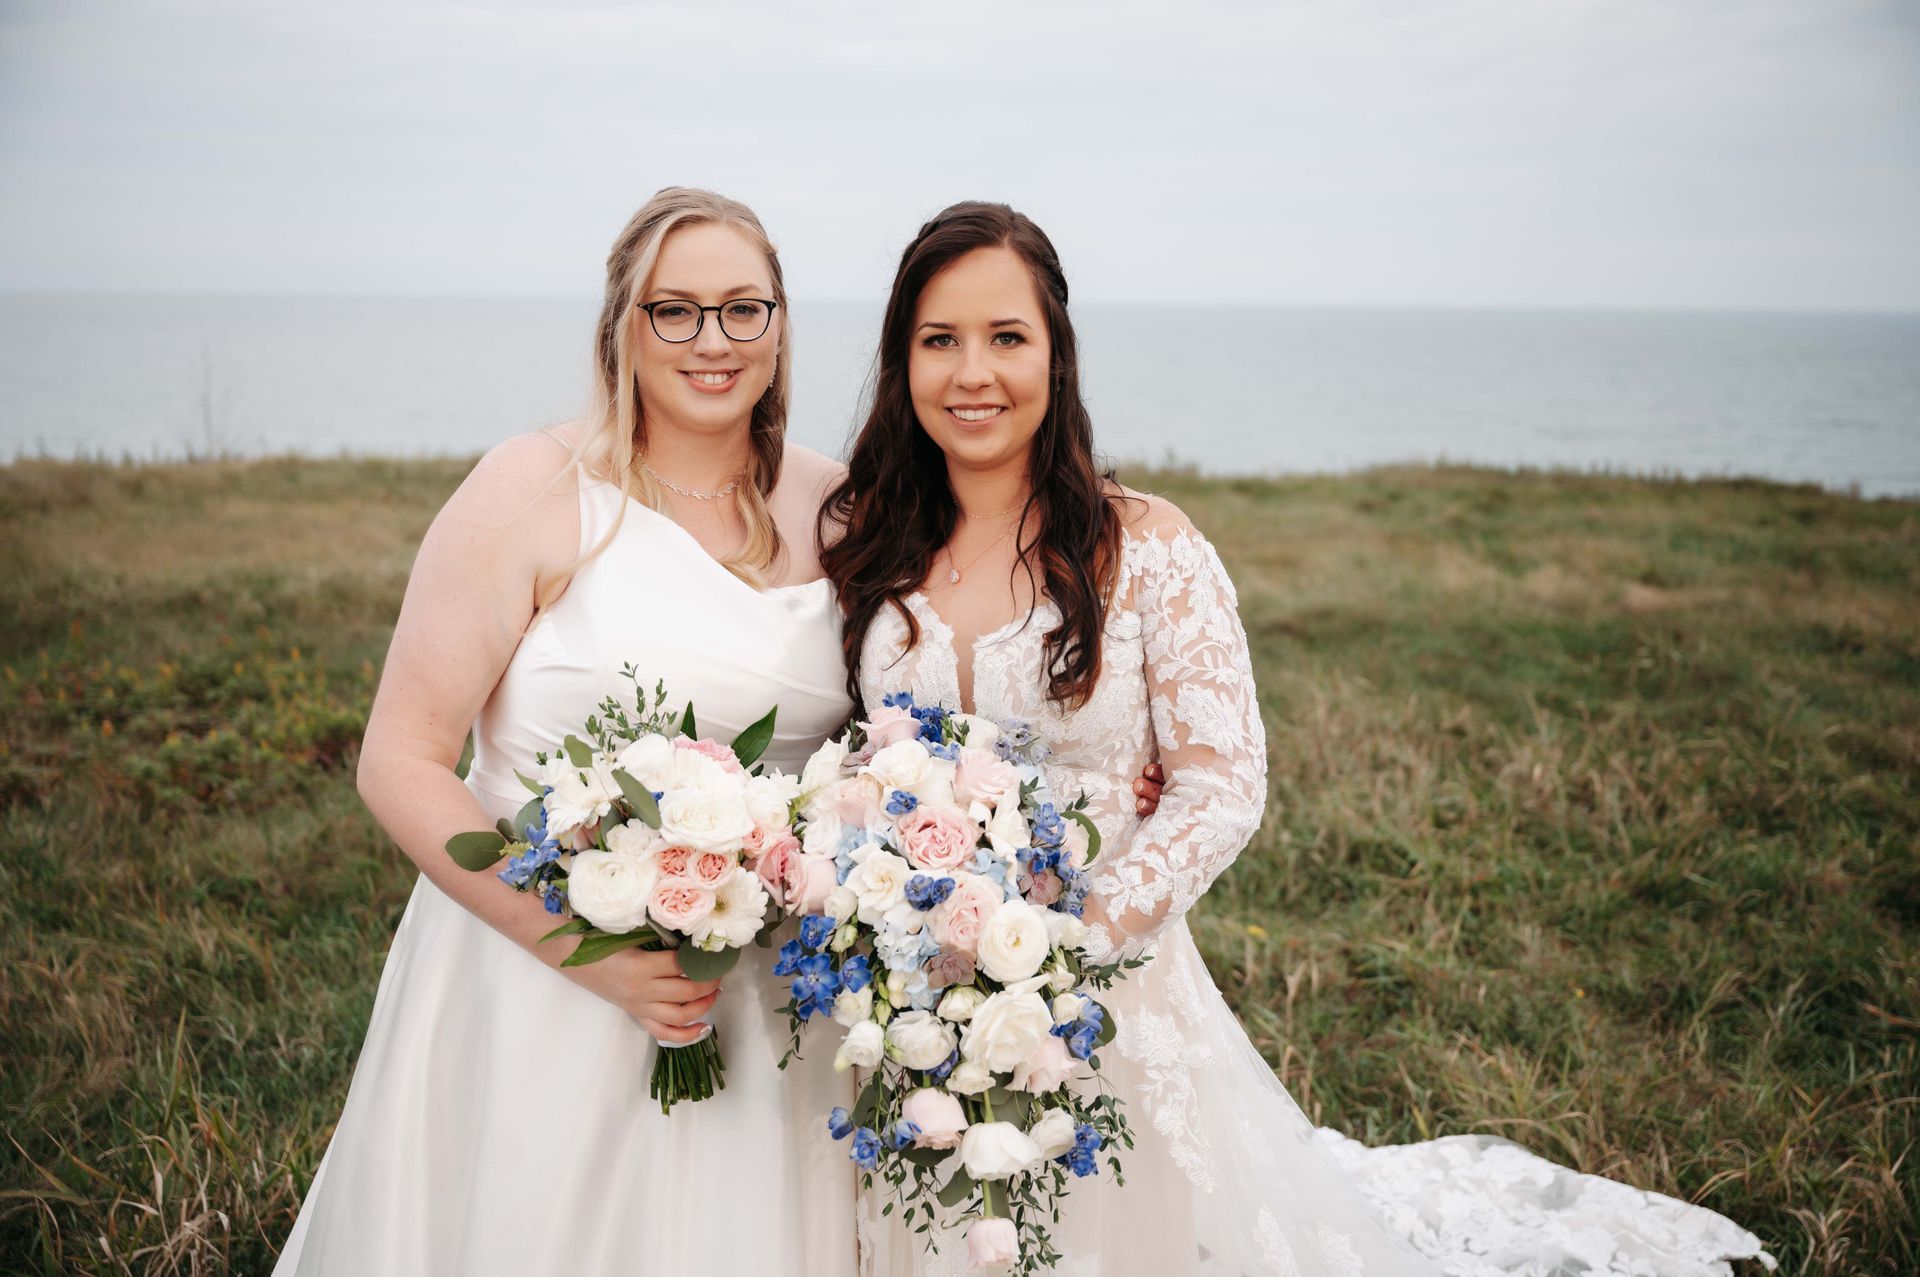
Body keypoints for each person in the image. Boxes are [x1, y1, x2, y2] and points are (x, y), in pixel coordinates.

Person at [820, 201, 1778, 1275]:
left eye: (1007, 337)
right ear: (902, 358)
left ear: (1057, 353)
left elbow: (1222, 786)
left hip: (1101, 983)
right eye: (938, 339)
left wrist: (1076, 934)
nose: (972, 372)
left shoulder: (1147, 547)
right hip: (905, 986)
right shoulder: (865, 538)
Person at [274, 187, 859, 1275]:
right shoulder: (534, 487)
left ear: (781, 325)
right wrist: (587, 956)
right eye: (672, 311)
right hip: (539, 975)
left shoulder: (838, 505)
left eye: (745, 309)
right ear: (621, 328)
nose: (712, 340)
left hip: (771, 993)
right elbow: (399, 758)